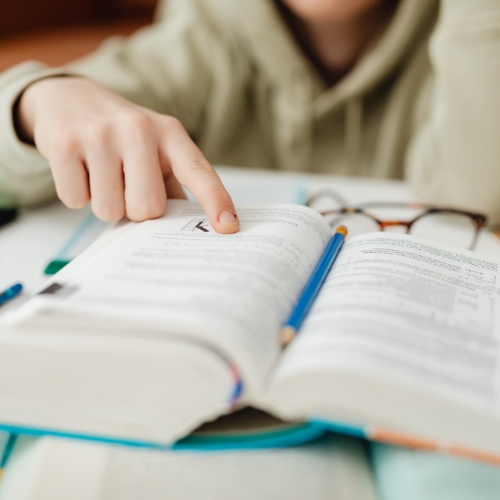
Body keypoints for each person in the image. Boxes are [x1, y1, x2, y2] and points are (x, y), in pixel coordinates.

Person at [1, 0, 500, 498]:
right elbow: (38, 146)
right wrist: (36, 102)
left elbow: (476, 197)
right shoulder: (206, 34)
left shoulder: (476, 31)